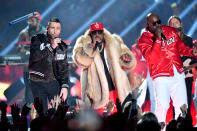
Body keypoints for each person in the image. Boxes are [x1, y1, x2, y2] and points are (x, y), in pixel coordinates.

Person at [138, 13, 197, 124]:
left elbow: (180, 47)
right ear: (148, 24)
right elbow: (150, 57)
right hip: (161, 75)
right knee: (163, 105)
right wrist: (158, 40)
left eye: (159, 22)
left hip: (178, 72)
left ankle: (181, 126)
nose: (158, 25)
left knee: (182, 105)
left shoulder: (169, 31)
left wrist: (191, 52)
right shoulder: (144, 39)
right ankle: (160, 128)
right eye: (154, 23)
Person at [72, 22, 136, 116]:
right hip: (98, 94)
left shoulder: (114, 41)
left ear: (103, 33)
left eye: (99, 32)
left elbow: (128, 60)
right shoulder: (83, 43)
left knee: (122, 120)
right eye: (94, 32)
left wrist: (127, 59)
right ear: (91, 34)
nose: (97, 35)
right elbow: (80, 60)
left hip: (119, 90)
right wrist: (92, 48)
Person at [29, 18, 69, 113]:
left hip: (54, 84)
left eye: (57, 28)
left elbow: (63, 68)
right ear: (47, 28)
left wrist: (64, 86)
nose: (55, 31)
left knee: (57, 114)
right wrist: (51, 47)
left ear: (60, 30)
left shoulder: (62, 46)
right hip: (38, 83)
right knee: (42, 115)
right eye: (52, 28)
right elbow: (35, 57)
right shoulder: (37, 39)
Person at [168, 15, 197, 120]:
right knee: (176, 105)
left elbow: (194, 60)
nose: (174, 25)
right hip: (174, 78)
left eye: (176, 22)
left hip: (187, 76)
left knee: (187, 103)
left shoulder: (189, 40)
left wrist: (187, 67)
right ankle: (176, 124)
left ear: (180, 24)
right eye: (172, 24)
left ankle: (187, 123)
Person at [17, 12, 45, 104]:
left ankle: (42, 112)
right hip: (28, 67)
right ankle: (28, 113)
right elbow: (19, 49)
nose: (29, 23)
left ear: (38, 21)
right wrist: (28, 53)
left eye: (31, 21)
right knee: (29, 89)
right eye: (28, 21)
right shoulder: (23, 33)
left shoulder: (45, 33)